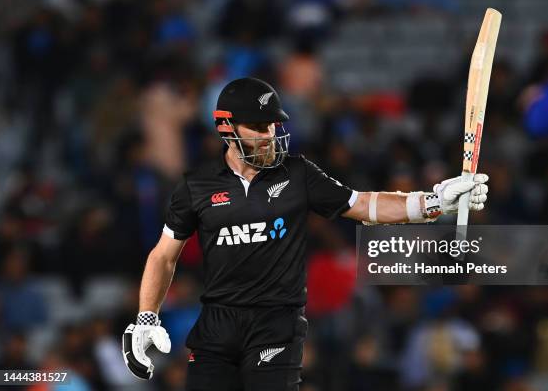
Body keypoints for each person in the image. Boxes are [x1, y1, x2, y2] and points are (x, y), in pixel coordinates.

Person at [121, 77, 489, 390]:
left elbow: (364, 205)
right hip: (217, 328)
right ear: (225, 128)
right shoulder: (196, 186)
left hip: (275, 326)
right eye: (259, 127)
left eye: (273, 126)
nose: (270, 136)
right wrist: (147, 318)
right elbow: (163, 256)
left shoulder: (298, 175)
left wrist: (435, 202)